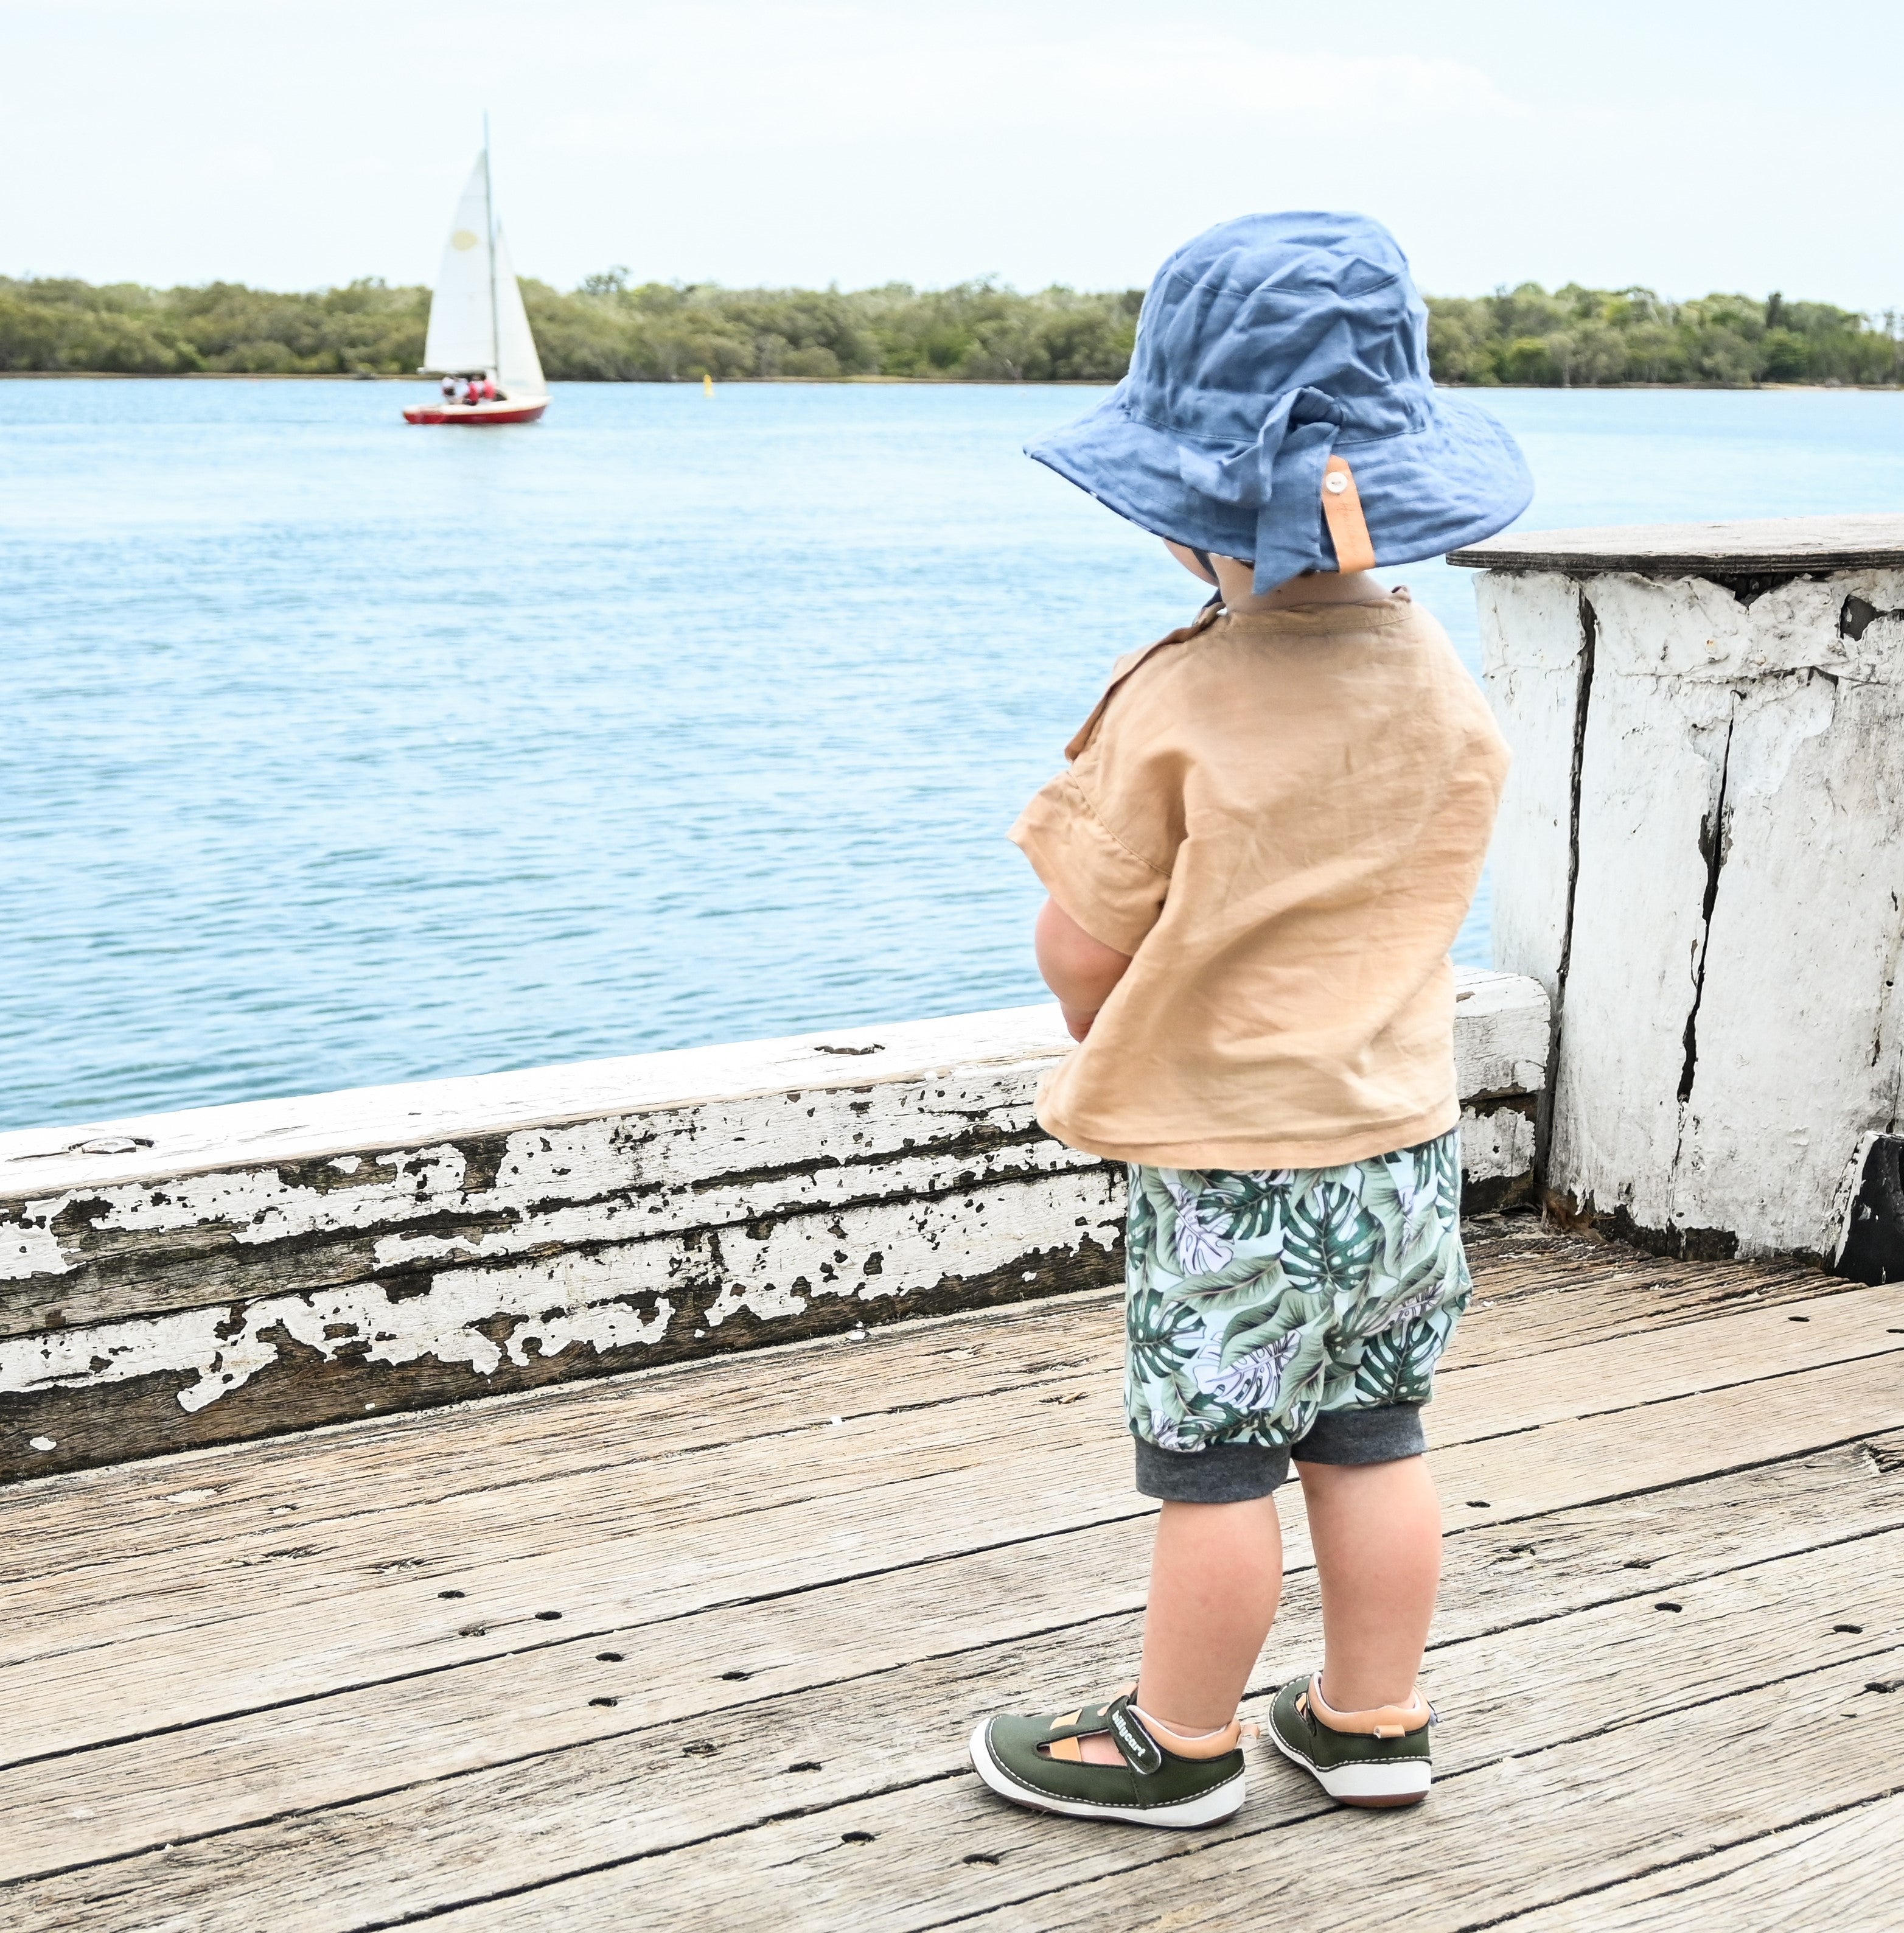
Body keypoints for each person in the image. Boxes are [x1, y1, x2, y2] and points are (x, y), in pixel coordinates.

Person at [967, 212, 1530, 1827]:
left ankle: (1180, 1742)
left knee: (1211, 1468)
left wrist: (1117, 1030)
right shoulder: (1438, 680)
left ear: (1186, 511)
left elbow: (1079, 945)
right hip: (1399, 1144)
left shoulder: (1181, 696)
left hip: (1233, 1171)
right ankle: (1369, 1719)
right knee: (1373, 1437)